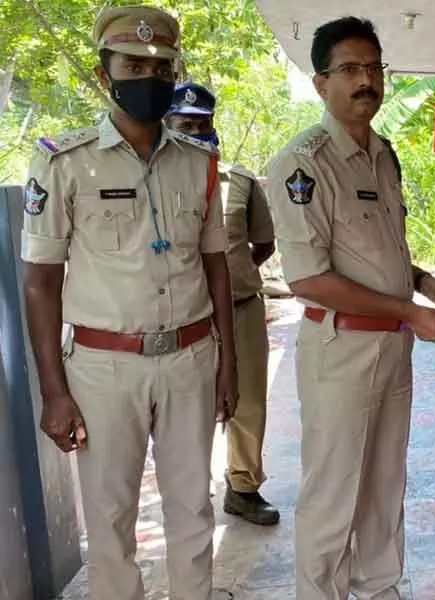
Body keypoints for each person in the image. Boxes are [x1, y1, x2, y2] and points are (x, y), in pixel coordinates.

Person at [21, 6, 237, 599]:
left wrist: (229, 363)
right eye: (135, 65)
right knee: (111, 518)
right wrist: (54, 391)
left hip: (191, 359)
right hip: (102, 368)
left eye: (162, 67)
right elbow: (40, 280)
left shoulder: (199, 163)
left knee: (194, 509)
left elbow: (215, 265)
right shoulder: (65, 161)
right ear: (103, 74)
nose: (152, 77)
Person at [264, 16, 435, 600]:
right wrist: (407, 308)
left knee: (383, 483)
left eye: (374, 68)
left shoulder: (383, 154)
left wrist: (425, 283)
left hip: (392, 347)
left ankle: (379, 589)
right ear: (320, 81)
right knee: (333, 491)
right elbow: (309, 278)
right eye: (350, 69)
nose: (366, 81)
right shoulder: (303, 163)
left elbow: (379, 250)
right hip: (340, 347)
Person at [166, 83, 280, 526]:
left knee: (248, 402)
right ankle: (188, 494)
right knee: (185, 405)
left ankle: (244, 487)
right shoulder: (154, 181)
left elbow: (264, 243)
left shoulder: (240, 180)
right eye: (185, 124)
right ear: (169, 126)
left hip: (241, 307)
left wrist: (233, 278)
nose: (196, 131)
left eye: (203, 124)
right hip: (181, 314)